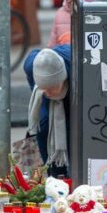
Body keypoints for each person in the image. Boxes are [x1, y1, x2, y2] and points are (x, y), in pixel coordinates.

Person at [24, 46, 72, 178]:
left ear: (62, 79)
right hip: (46, 96)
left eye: (52, 88)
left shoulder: (76, 65)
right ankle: (54, 175)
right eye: (44, 88)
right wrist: (45, 90)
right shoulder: (31, 66)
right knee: (43, 126)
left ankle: (71, 173)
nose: (49, 92)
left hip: (73, 91)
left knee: (70, 128)